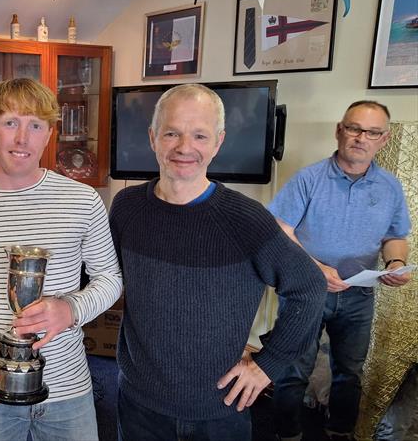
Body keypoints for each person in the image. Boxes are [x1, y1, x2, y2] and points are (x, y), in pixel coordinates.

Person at [108, 83, 326, 441]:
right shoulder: (126, 207)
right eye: (172, 133)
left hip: (218, 410)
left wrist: (267, 365)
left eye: (199, 135)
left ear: (218, 142)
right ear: (152, 137)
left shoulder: (246, 219)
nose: (184, 147)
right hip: (138, 403)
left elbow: (309, 287)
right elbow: (105, 279)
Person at [0, 78, 123, 441]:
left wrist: (70, 309)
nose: (23, 138)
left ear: (49, 134)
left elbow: (109, 278)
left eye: (35, 125)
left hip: (68, 388)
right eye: (10, 123)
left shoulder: (83, 201)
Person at [270, 100, 412, 441]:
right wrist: (317, 269)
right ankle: (285, 434)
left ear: (384, 139)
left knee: (350, 372)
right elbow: (279, 229)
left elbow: (395, 235)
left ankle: (340, 431)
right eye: (354, 128)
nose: (361, 137)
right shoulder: (309, 179)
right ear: (339, 130)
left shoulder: (390, 186)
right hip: (307, 290)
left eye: (372, 132)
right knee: (293, 369)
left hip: (359, 294)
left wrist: (395, 263)